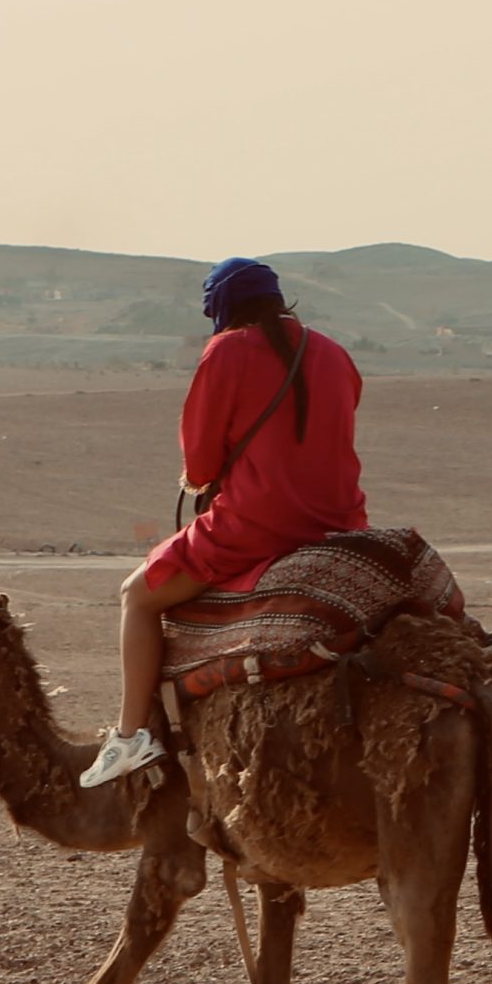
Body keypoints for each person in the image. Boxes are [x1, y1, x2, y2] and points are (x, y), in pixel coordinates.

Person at [78, 257, 367, 787]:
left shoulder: (227, 350)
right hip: (340, 525)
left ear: (222, 309)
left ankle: (129, 735)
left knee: (137, 595)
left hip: (257, 526)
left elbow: (202, 464)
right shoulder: (334, 352)